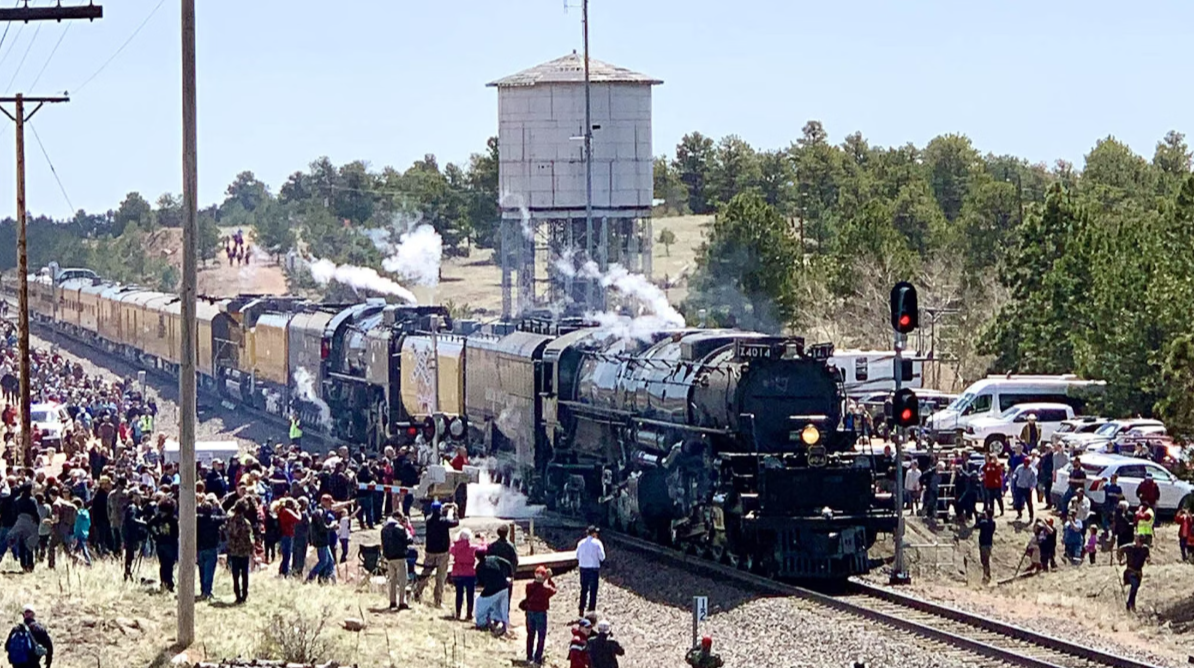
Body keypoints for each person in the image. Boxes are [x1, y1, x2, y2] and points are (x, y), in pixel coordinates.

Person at [413, 501, 458, 607]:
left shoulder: (428, 520)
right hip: (442, 552)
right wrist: (455, 511)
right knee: (440, 577)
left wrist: (444, 508)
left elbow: (439, 514)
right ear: (440, 510)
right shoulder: (443, 521)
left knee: (425, 573)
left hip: (430, 552)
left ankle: (417, 592)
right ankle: (437, 600)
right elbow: (455, 522)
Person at [522, 566, 556, 665]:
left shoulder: (528, 586)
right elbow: (554, 590)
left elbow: (534, 586)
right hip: (541, 613)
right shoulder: (546, 589)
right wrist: (549, 579)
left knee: (530, 635)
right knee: (541, 636)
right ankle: (538, 657)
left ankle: (529, 656)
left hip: (530, 612)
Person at [475, 548, 513, 634]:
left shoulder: (479, 567)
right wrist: (511, 575)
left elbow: (481, 583)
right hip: (504, 586)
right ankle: (505, 626)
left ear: (476, 557)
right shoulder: (494, 558)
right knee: (503, 607)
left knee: (479, 603)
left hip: (492, 589)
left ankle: (482, 623)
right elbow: (507, 563)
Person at [380, 510, 413, 611]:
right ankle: (402, 602)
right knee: (402, 580)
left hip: (389, 558)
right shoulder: (399, 528)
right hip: (400, 557)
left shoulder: (384, 529)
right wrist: (407, 528)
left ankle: (392, 601)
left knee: (392, 580)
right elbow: (409, 540)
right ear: (398, 518)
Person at [449, 527, 482, 620]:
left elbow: (450, 550)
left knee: (459, 593)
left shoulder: (455, 547)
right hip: (469, 572)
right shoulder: (473, 548)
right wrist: (483, 539)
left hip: (458, 572)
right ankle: (469, 614)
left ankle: (458, 612)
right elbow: (484, 548)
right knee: (470, 594)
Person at [195, 497, 224, 600]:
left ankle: (203, 590)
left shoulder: (197, 520)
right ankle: (207, 592)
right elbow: (225, 517)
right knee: (209, 573)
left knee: (201, 571)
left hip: (199, 549)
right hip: (211, 549)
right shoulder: (215, 520)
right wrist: (219, 506)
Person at [226, 498, 254, 604]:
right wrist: (252, 550)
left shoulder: (230, 520)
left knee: (235, 574)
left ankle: (237, 595)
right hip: (244, 551)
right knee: (245, 575)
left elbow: (227, 533)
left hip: (234, 550)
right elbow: (250, 538)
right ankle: (244, 595)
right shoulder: (246, 522)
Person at [487, 524, 519, 617]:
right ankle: (505, 615)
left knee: (494, 595)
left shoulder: (492, 546)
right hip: (506, 575)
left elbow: (488, 559)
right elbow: (515, 560)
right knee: (506, 596)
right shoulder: (511, 546)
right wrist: (512, 573)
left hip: (494, 575)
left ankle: (495, 616)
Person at [147, 498, 179, 592]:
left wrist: (155, 535)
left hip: (160, 544)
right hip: (170, 545)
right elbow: (176, 534)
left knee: (163, 565)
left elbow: (148, 525)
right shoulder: (173, 519)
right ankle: (169, 584)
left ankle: (163, 583)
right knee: (169, 565)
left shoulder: (158, 518)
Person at [576, 525, 606, 617]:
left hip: (583, 568)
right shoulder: (597, 543)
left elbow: (577, 556)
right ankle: (591, 611)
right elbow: (602, 557)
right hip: (593, 569)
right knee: (593, 591)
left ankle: (581, 609)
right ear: (594, 533)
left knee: (584, 590)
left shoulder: (580, 543)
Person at [1117, 534, 1150, 612]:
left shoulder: (1145, 549)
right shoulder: (1129, 548)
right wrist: (1120, 559)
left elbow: (1147, 557)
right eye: (1139, 541)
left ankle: (1132, 604)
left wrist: (1148, 560)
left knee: (1135, 589)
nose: (1140, 543)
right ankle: (1129, 604)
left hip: (1138, 572)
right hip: (1130, 571)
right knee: (1134, 586)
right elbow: (1120, 549)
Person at [1011, 456, 1036, 522]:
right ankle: (1019, 514)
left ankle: (1031, 516)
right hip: (1019, 487)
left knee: (1029, 503)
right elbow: (1015, 474)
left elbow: (1034, 480)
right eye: (1025, 463)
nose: (1026, 465)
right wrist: (1014, 479)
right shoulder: (1019, 467)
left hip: (1027, 488)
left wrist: (1032, 486)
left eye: (1027, 463)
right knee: (1018, 502)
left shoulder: (1032, 470)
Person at [975, 508, 996, 584]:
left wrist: (979, 517)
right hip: (989, 544)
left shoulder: (983, 522)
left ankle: (986, 575)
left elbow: (976, 526)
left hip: (983, 544)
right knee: (986, 560)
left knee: (984, 561)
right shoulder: (993, 523)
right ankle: (987, 574)